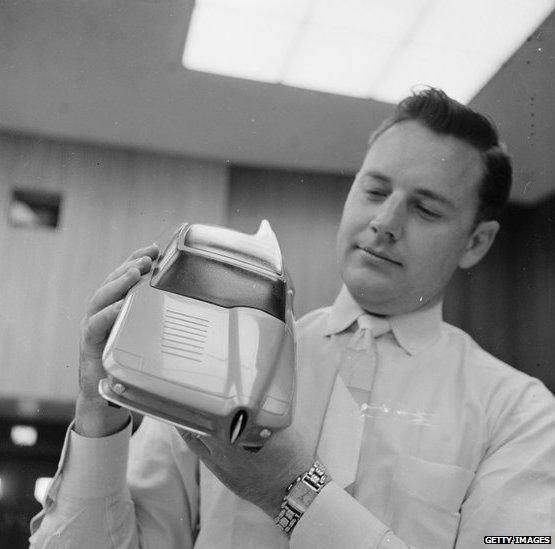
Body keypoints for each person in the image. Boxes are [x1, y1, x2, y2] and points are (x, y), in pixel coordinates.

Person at [30, 88, 555, 548]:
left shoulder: (521, 415)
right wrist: (98, 411)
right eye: (374, 190)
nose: (385, 223)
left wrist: (287, 488)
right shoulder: (216, 356)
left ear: (476, 242)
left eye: (426, 209)